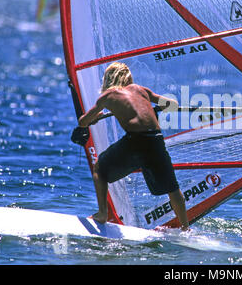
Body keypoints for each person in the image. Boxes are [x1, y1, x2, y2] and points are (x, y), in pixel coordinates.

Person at [77, 62, 189, 230]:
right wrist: (157, 106)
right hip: (156, 140)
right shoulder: (140, 89)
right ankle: (186, 227)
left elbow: (83, 122)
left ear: (108, 79)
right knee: (172, 188)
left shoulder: (107, 97)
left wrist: (96, 116)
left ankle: (102, 213)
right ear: (128, 78)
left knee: (100, 168)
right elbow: (172, 104)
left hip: (136, 141)